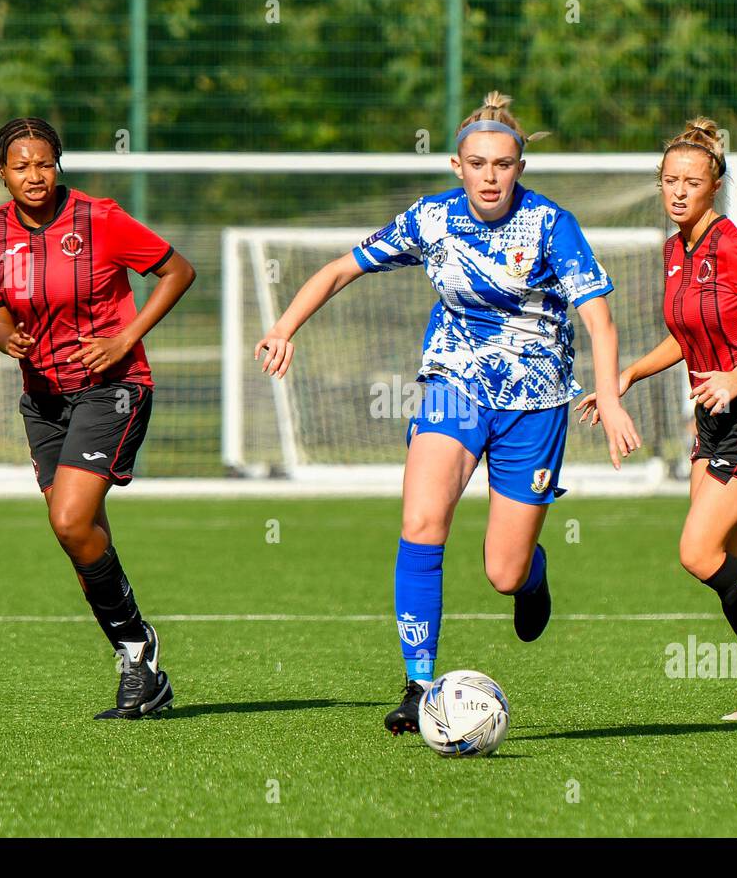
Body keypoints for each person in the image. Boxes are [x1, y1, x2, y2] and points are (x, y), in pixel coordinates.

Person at [254, 92, 640, 734]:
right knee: (423, 521)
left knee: (502, 570)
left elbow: (597, 320)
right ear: (457, 166)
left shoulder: (551, 224)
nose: (491, 175)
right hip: (453, 382)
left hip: (536, 401)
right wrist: (285, 327)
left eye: (504, 164)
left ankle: (533, 575)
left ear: (520, 167)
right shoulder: (431, 219)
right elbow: (339, 270)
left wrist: (612, 394)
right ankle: (417, 683)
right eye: (478, 163)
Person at [577, 116, 737, 720]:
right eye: (669, 180)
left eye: (691, 181)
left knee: (698, 551)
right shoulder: (674, 251)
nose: (678, 192)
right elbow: (687, 335)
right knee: (724, 559)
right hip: (715, 418)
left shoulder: (736, 248)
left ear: (716, 184)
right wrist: (631, 374)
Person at [0, 117, 196, 719]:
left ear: (58, 164)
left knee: (71, 520)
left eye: (43, 163)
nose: (34, 176)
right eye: (20, 167)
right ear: (2, 173)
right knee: (78, 536)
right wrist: (7, 339)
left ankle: (139, 645)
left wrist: (125, 338)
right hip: (43, 400)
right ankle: (141, 669)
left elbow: (179, 271)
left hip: (112, 389)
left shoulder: (99, 218)